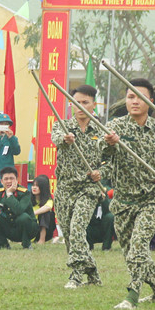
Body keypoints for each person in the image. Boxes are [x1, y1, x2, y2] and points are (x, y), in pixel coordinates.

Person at [102, 79, 155, 310]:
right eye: (130, 97)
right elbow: (103, 152)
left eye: (140, 97)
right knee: (131, 252)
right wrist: (110, 144)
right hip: (123, 202)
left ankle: (132, 296)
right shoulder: (115, 127)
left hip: (151, 200)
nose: (135, 101)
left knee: (138, 247)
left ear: (151, 102)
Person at [50, 84, 105, 288]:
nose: (80, 106)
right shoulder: (62, 126)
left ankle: (76, 275)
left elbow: (110, 161)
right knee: (69, 234)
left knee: (77, 229)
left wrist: (101, 172)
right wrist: (66, 139)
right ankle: (93, 274)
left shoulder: (101, 131)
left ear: (93, 105)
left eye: (85, 102)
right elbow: (56, 139)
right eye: (76, 102)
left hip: (88, 189)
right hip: (65, 188)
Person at [30, 174, 55, 244]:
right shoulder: (27, 198)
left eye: (37, 186)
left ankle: (42, 239)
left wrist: (33, 213)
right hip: (31, 228)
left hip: (46, 230)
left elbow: (48, 207)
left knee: (46, 213)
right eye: (33, 185)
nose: (34, 188)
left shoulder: (49, 199)